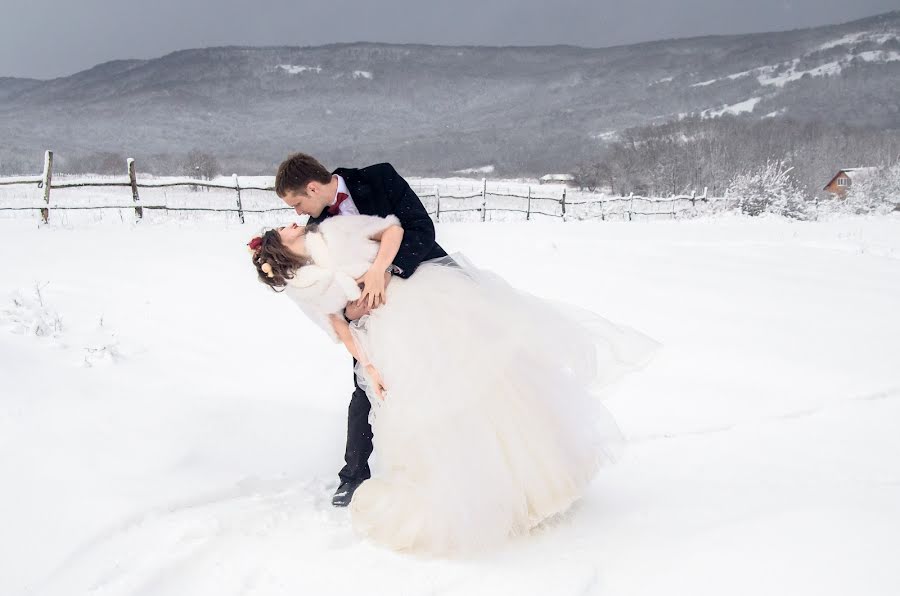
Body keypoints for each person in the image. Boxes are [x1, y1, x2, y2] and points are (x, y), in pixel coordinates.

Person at [248, 212, 658, 555]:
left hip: (424, 299)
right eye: (283, 227)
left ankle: (531, 483)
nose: (293, 221)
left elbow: (393, 228)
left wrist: (379, 271)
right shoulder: (306, 286)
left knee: (482, 380)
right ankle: (473, 494)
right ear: (279, 247)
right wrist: (368, 365)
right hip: (389, 332)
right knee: (431, 407)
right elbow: (339, 325)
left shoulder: (335, 230)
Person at [274, 153, 448, 507]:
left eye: (297, 202)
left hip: (427, 280)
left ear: (312, 187)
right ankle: (353, 475)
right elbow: (328, 288)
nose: (297, 213)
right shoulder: (314, 229)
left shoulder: (379, 177)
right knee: (366, 384)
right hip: (372, 316)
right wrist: (351, 311)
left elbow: (419, 227)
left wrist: (387, 271)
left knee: (463, 360)